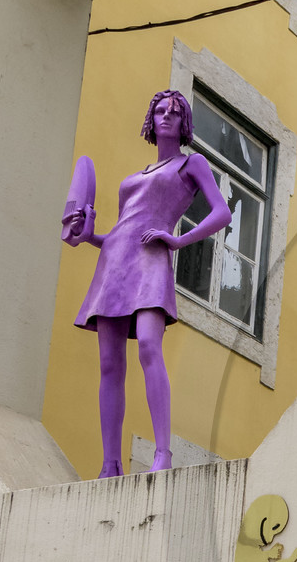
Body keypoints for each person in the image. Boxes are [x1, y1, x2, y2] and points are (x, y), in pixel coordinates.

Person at [64, 91, 233, 479]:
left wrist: (177, 240)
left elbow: (222, 212)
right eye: (159, 111)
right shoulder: (135, 177)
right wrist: (87, 235)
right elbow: (121, 233)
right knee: (109, 364)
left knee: (149, 346)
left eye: (175, 112)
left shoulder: (192, 164)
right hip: (115, 262)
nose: (166, 117)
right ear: (151, 119)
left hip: (152, 260)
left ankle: (162, 452)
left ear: (184, 122)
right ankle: (110, 463)